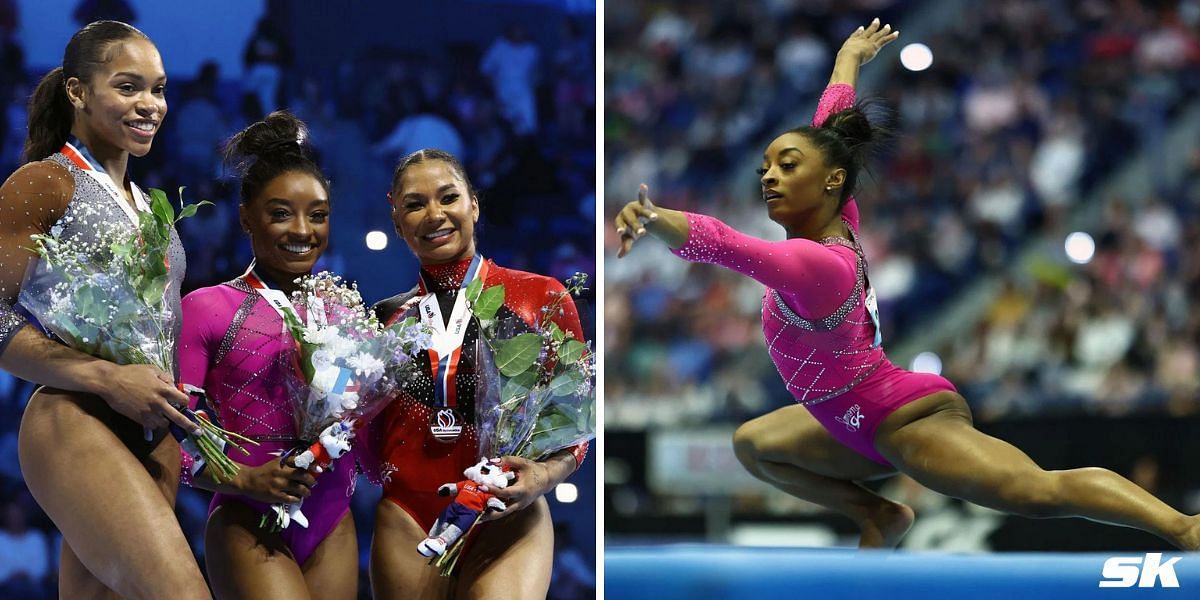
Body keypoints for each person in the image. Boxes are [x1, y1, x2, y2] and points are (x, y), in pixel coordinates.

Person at [614, 19, 1200, 551]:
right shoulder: (839, 218)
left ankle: (1185, 528)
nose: (769, 175)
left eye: (786, 166)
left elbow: (725, 243)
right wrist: (848, 57)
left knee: (1036, 493)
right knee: (754, 444)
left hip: (900, 419)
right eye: (765, 165)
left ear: (830, 181)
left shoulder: (819, 265)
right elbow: (833, 127)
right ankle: (879, 516)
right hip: (842, 418)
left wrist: (656, 217)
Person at [0, 20, 210, 598]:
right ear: (77, 92)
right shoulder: (42, 182)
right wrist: (106, 377)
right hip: (75, 417)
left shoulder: (151, 206)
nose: (151, 105)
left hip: (151, 432)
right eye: (128, 87)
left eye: (159, 89)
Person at [370, 149, 588, 598]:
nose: (434, 215)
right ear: (397, 220)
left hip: (505, 512)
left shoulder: (541, 298)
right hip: (408, 517)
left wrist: (542, 478)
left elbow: (573, 421)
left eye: (448, 197)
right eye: (415, 204)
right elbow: (367, 440)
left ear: (474, 204)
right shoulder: (381, 321)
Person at [177, 111, 357, 599]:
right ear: (245, 216)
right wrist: (245, 478)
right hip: (247, 518)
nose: (302, 230)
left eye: (317, 215)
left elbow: (355, 421)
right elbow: (173, 439)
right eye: (281, 213)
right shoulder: (208, 308)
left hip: (332, 518)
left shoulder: (343, 314)